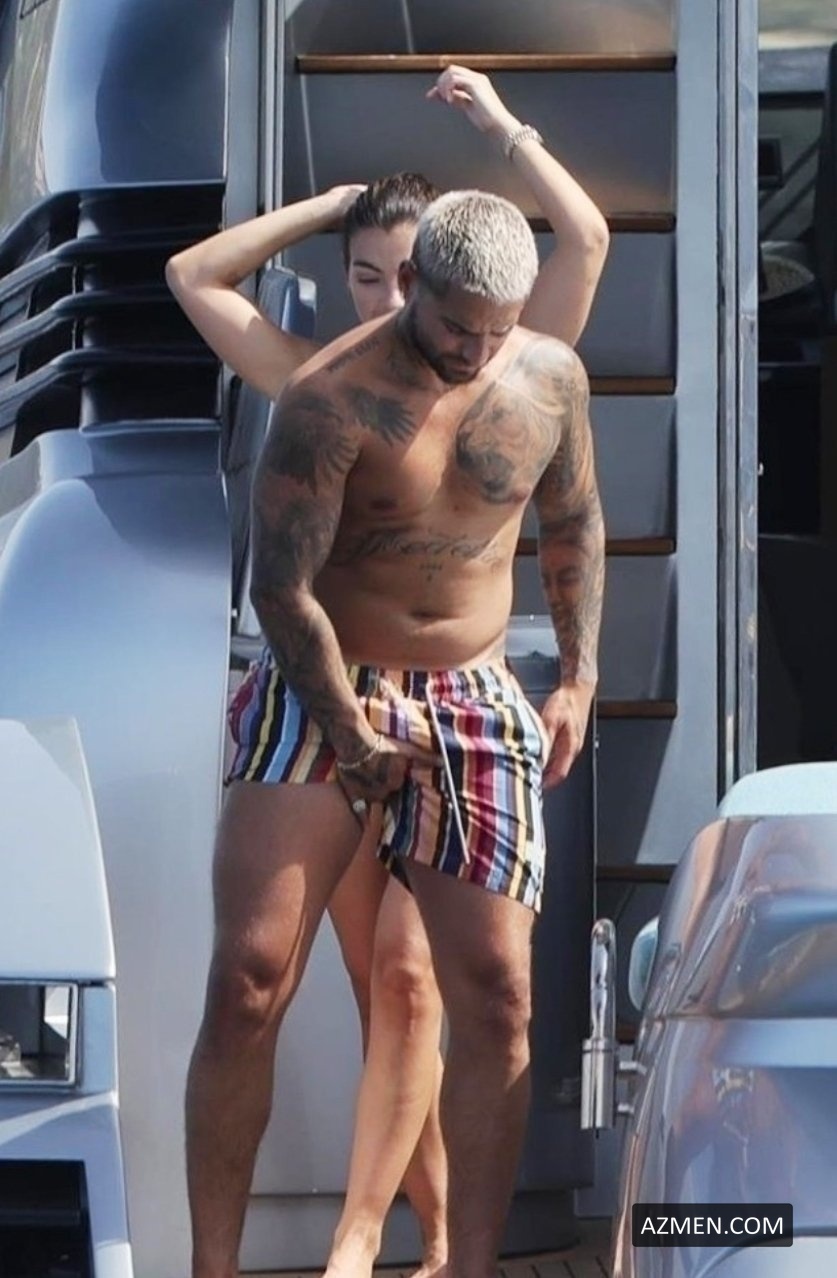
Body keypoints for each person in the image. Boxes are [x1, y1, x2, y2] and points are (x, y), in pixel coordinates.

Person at [168, 67, 608, 1278]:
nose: (476, 349)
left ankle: (461, 1265)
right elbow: (282, 589)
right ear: (417, 288)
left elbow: (575, 526)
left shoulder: (547, 378)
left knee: (495, 998)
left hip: (471, 689)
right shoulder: (330, 395)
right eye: (459, 325)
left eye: (496, 330)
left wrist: (576, 677)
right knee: (251, 980)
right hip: (325, 676)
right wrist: (350, 734)